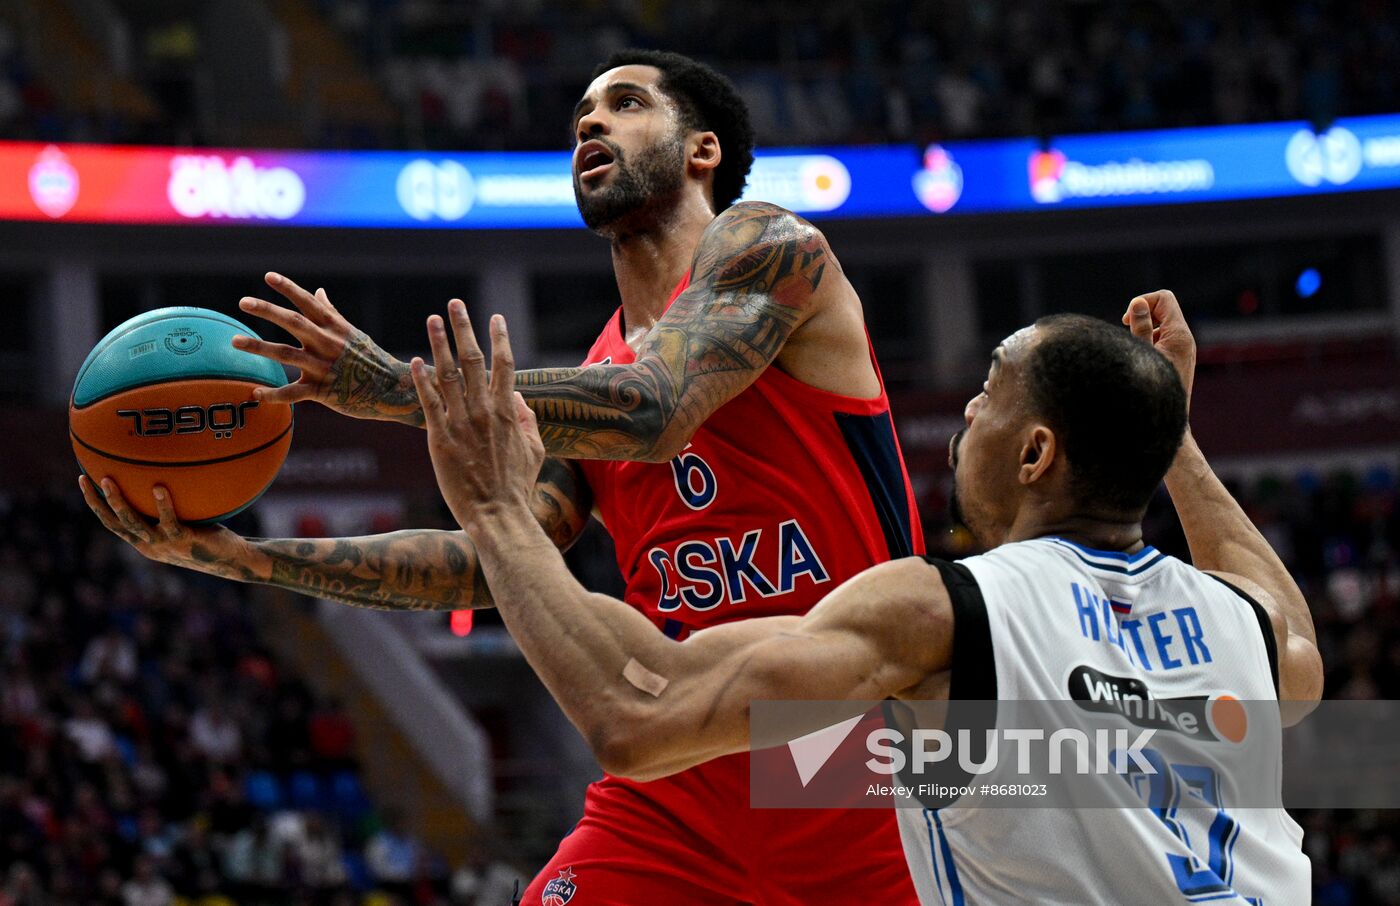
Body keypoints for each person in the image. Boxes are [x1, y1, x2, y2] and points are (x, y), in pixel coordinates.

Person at [81, 50, 925, 903]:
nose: (590, 124)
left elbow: (656, 410)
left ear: (701, 149)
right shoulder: (593, 374)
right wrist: (248, 562)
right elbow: (490, 559)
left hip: (847, 754)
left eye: (624, 104)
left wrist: (398, 393)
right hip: (680, 761)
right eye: (580, 118)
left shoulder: (772, 248)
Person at [407, 289, 1324, 904]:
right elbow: (1296, 646)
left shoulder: (940, 612)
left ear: (1036, 454)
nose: (967, 412)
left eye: (988, 393)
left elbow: (637, 716)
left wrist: (496, 509)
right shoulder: (1240, 627)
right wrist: (1173, 430)